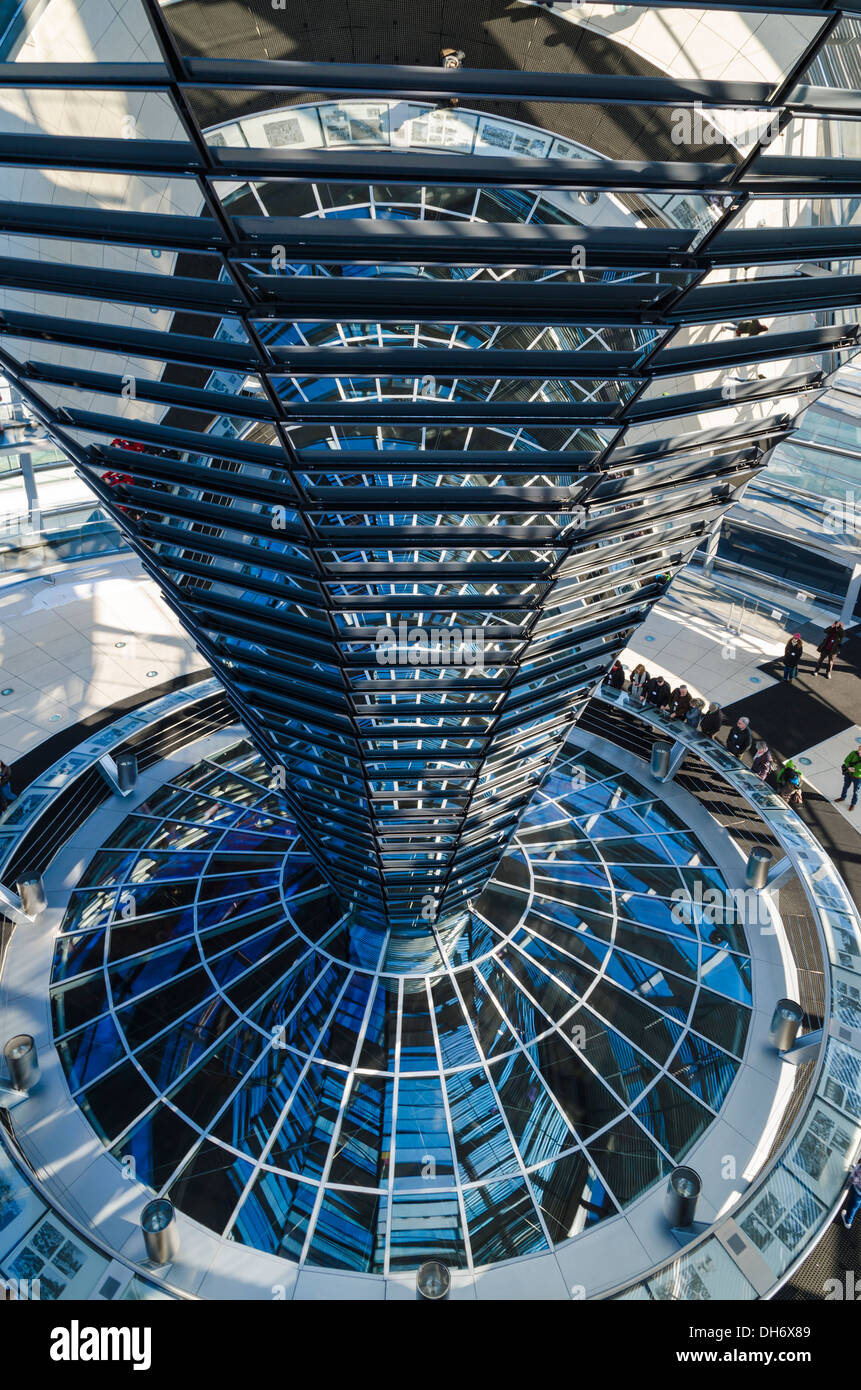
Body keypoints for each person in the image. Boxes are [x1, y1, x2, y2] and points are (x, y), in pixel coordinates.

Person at [836, 747, 861, 811]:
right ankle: (842, 797)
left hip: (857, 777)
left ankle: (853, 804)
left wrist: (856, 770)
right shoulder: (853, 753)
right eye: (859, 750)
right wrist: (849, 767)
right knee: (845, 786)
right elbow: (846, 760)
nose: (859, 752)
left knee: (856, 792)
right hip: (849, 774)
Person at [842, 1162, 861, 1228]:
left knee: (852, 1206)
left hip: (857, 1191)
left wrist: (847, 1185)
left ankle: (848, 1222)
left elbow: (854, 1180)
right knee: (855, 1205)